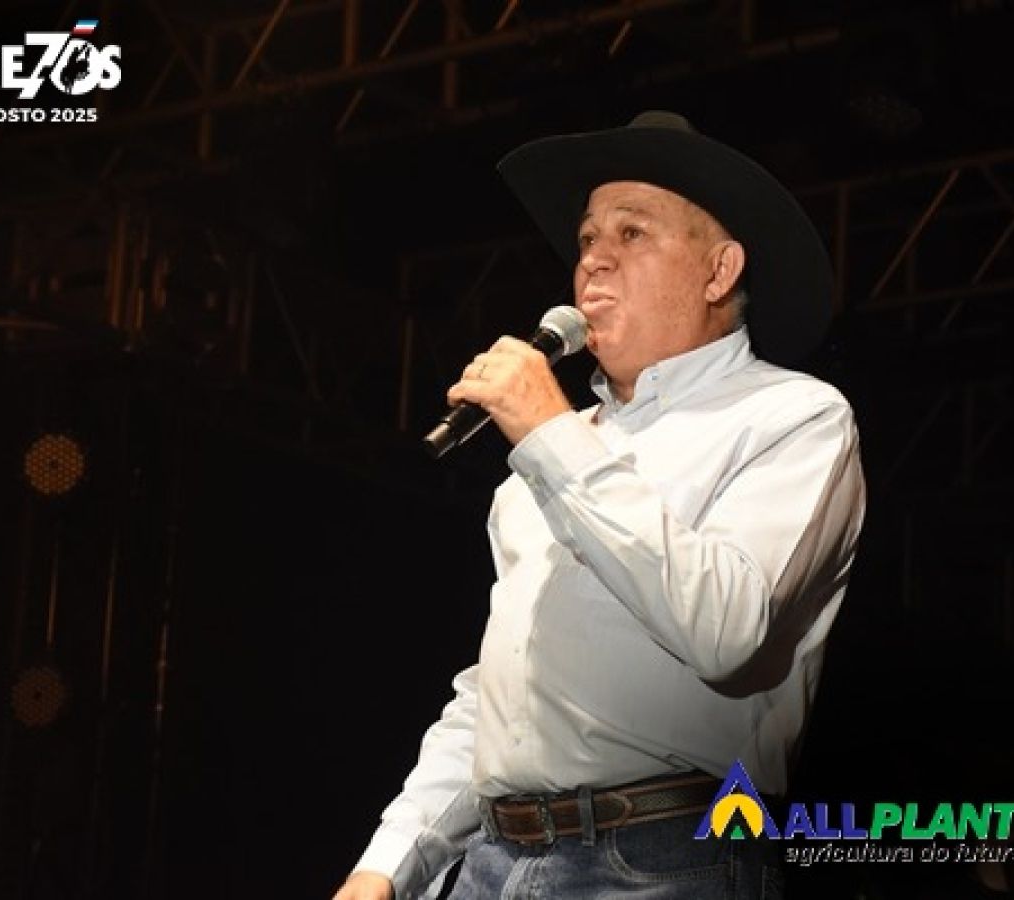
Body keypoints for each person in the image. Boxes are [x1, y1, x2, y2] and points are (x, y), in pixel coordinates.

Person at [332, 110, 867, 899]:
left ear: (719, 272)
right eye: (586, 239)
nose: (593, 261)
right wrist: (387, 865)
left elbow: (728, 628)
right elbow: (501, 696)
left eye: (632, 233)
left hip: (662, 859)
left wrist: (548, 436)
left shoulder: (791, 417)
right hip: (492, 863)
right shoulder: (545, 460)